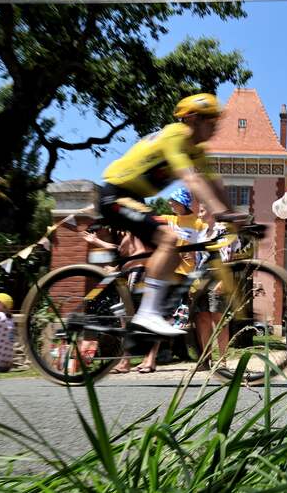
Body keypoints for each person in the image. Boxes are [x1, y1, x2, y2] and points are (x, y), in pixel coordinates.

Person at [98, 93, 244, 337]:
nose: (216, 127)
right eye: (212, 121)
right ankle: (147, 314)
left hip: (133, 198)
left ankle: (147, 312)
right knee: (168, 238)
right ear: (194, 119)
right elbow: (191, 178)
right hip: (115, 195)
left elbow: (214, 182)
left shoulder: (196, 150)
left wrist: (234, 215)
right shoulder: (176, 134)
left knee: (173, 258)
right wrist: (220, 212)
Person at [136, 187, 206, 373]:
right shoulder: (170, 219)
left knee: (181, 319)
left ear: (183, 202)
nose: (169, 203)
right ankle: (149, 358)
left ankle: (202, 359)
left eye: (173, 201)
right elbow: (151, 226)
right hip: (167, 275)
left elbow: (202, 249)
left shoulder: (197, 223)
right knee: (159, 316)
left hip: (186, 276)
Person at [193, 202, 232, 370]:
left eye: (202, 211)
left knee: (219, 319)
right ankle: (205, 359)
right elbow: (197, 257)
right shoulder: (201, 232)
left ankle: (222, 361)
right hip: (201, 277)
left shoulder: (222, 230)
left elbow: (229, 256)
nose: (200, 215)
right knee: (202, 319)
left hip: (218, 276)